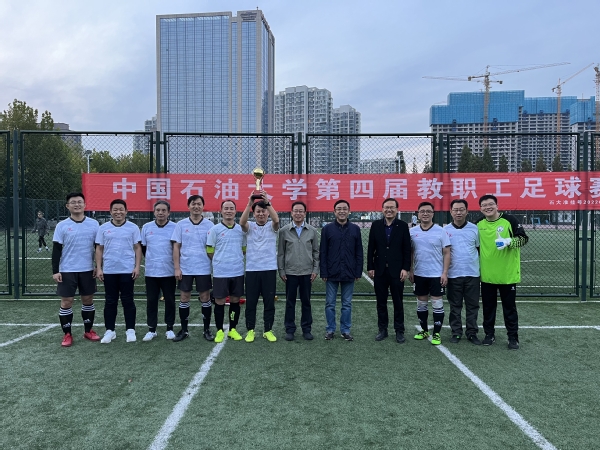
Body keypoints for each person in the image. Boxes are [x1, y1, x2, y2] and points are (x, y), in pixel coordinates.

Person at [477, 194, 528, 350]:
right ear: (480, 208)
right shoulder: (478, 224)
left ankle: (513, 337)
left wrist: (508, 241)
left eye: (490, 204)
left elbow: (523, 239)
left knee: (509, 308)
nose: (488, 207)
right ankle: (489, 334)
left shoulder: (510, 220)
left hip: (507, 274)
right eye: (484, 205)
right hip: (487, 275)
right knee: (488, 308)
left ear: (497, 206)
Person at [52, 192, 100, 347]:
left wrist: (98, 267)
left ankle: (88, 331)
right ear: (68, 206)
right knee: (67, 302)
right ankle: (67, 334)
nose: (77, 204)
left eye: (80, 202)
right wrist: (55, 271)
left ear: (85, 205)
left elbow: (98, 248)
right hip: (67, 269)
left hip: (87, 269)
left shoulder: (94, 224)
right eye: (73, 202)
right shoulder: (61, 225)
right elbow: (56, 249)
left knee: (88, 300)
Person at [95, 199, 142, 344]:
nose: (118, 212)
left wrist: (137, 266)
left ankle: (130, 330)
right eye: (115, 209)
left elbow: (137, 248)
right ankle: (110, 330)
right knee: (110, 301)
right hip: (109, 270)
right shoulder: (103, 228)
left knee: (128, 300)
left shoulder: (133, 227)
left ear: (126, 211)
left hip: (127, 270)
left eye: (121, 209)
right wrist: (99, 268)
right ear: (110, 211)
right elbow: (99, 248)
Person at [367, 198, 411, 343]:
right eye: (386, 207)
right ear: (382, 209)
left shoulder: (403, 226)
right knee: (381, 302)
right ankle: (382, 329)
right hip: (380, 270)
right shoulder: (376, 225)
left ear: (397, 210)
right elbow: (371, 248)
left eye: (392, 207)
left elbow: (406, 249)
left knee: (398, 302)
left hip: (397, 271)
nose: (389, 210)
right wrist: (370, 267)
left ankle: (399, 330)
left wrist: (405, 268)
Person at [171, 195, 215, 342]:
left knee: (205, 297)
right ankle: (184, 330)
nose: (196, 206)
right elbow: (176, 247)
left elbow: (212, 247)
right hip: (186, 268)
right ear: (188, 206)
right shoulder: (181, 225)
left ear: (203, 206)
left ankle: (206, 329)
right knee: (184, 297)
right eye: (193, 204)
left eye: (199, 204)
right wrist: (177, 268)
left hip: (203, 268)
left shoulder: (209, 225)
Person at [239, 191, 280, 343]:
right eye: (258, 212)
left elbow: (276, 219)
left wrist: (268, 203)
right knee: (251, 302)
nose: (261, 214)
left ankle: (267, 330)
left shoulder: (272, 226)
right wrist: (249, 203)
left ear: (267, 213)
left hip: (269, 269)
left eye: (263, 211)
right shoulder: (249, 226)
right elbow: (241, 223)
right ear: (254, 214)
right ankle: (250, 330)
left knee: (269, 302)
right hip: (252, 270)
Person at [320, 199, 363, 341]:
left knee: (347, 304)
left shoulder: (355, 229)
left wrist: (358, 271)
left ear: (349, 211)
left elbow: (359, 252)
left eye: (344, 209)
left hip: (349, 272)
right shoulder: (327, 229)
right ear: (334, 212)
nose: (342, 211)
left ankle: (345, 330)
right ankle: (330, 329)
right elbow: (323, 252)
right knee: (330, 304)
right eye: (339, 209)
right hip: (331, 272)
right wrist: (324, 271)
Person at [409, 201, 451, 345]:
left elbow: (447, 252)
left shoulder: (441, 231)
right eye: (422, 211)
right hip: (419, 274)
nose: (425, 214)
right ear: (418, 214)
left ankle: (437, 334)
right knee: (421, 304)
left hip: (436, 274)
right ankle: (424, 330)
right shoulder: (412, 232)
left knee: (437, 303)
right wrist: (411, 270)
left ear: (433, 214)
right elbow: (410, 252)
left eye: (428, 211)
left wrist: (445, 272)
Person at [277, 201, 319, 341]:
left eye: (301, 211)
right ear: (291, 213)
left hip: (307, 272)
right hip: (290, 273)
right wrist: (282, 271)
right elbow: (281, 253)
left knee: (306, 302)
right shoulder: (284, 231)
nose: (298, 213)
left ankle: (306, 329)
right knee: (290, 302)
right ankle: (290, 329)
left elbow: (316, 252)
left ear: (305, 213)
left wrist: (315, 269)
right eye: (296, 211)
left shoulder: (312, 231)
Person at [206, 200, 246, 343]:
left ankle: (233, 329)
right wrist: (220, 261)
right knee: (220, 301)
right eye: (226, 208)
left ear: (236, 211)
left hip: (237, 271)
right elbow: (210, 250)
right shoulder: (215, 230)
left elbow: (244, 249)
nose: (229, 211)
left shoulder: (241, 229)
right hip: (221, 272)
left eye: (231, 208)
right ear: (221, 211)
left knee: (235, 301)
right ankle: (219, 331)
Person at [444, 199, 482, 345]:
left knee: (472, 306)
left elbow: (478, 249)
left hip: (472, 274)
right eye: (455, 210)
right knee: (455, 306)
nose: (458, 212)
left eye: (461, 209)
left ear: (467, 211)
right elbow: (444, 253)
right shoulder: (445, 230)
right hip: (453, 274)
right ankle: (456, 332)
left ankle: (472, 333)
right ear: (451, 212)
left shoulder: (474, 229)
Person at [140, 200, 177, 342]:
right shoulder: (146, 227)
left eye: (163, 210)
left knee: (170, 300)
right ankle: (152, 329)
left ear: (169, 212)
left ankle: (170, 328)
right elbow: (143, 248)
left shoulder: (175, 227)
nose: (161, 213)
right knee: (151, 301)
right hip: (151, 272)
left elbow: (177, 248)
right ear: (154, 212)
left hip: (169, 271)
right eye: (158, 210)